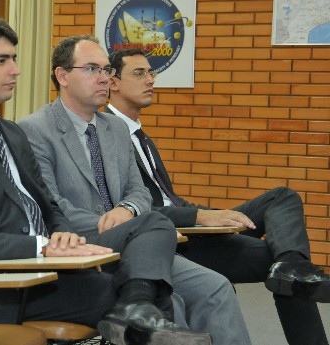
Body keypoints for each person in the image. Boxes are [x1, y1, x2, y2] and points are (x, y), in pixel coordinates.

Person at [0, 14, 214, 345]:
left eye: (14, 59)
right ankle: (135, 308)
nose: (15, 70)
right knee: (159, 301)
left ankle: (135, 307)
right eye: (1, 61)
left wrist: (64, 236)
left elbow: (49, 206)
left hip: (43, 269)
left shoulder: (11, 133)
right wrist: (43, 247)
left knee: (154, 223)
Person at [18, 35, 250, 345]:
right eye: (92, 69)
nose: (104, 78)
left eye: (106, 69)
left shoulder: (115, 127)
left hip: (136, 243)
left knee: (215, 287)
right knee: (170, 300)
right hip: (81, 244)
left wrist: (126, 211)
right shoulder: (34, 129)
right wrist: (119, 227)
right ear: (63, 76)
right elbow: (51, 204)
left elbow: (138, 192)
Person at [106, 47, 330, 345]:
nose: (150, 80)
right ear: (113, 82)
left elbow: (169, 199)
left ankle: (291, 263)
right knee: (282, 266)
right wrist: (201, 217)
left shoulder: (140, 135)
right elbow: (136, 209)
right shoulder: (108, 135)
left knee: (282, 199)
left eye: (151, 72)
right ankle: (291, 268)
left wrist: (213, 214)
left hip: (187, 225)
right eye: (139, 73)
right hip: (166, 243)